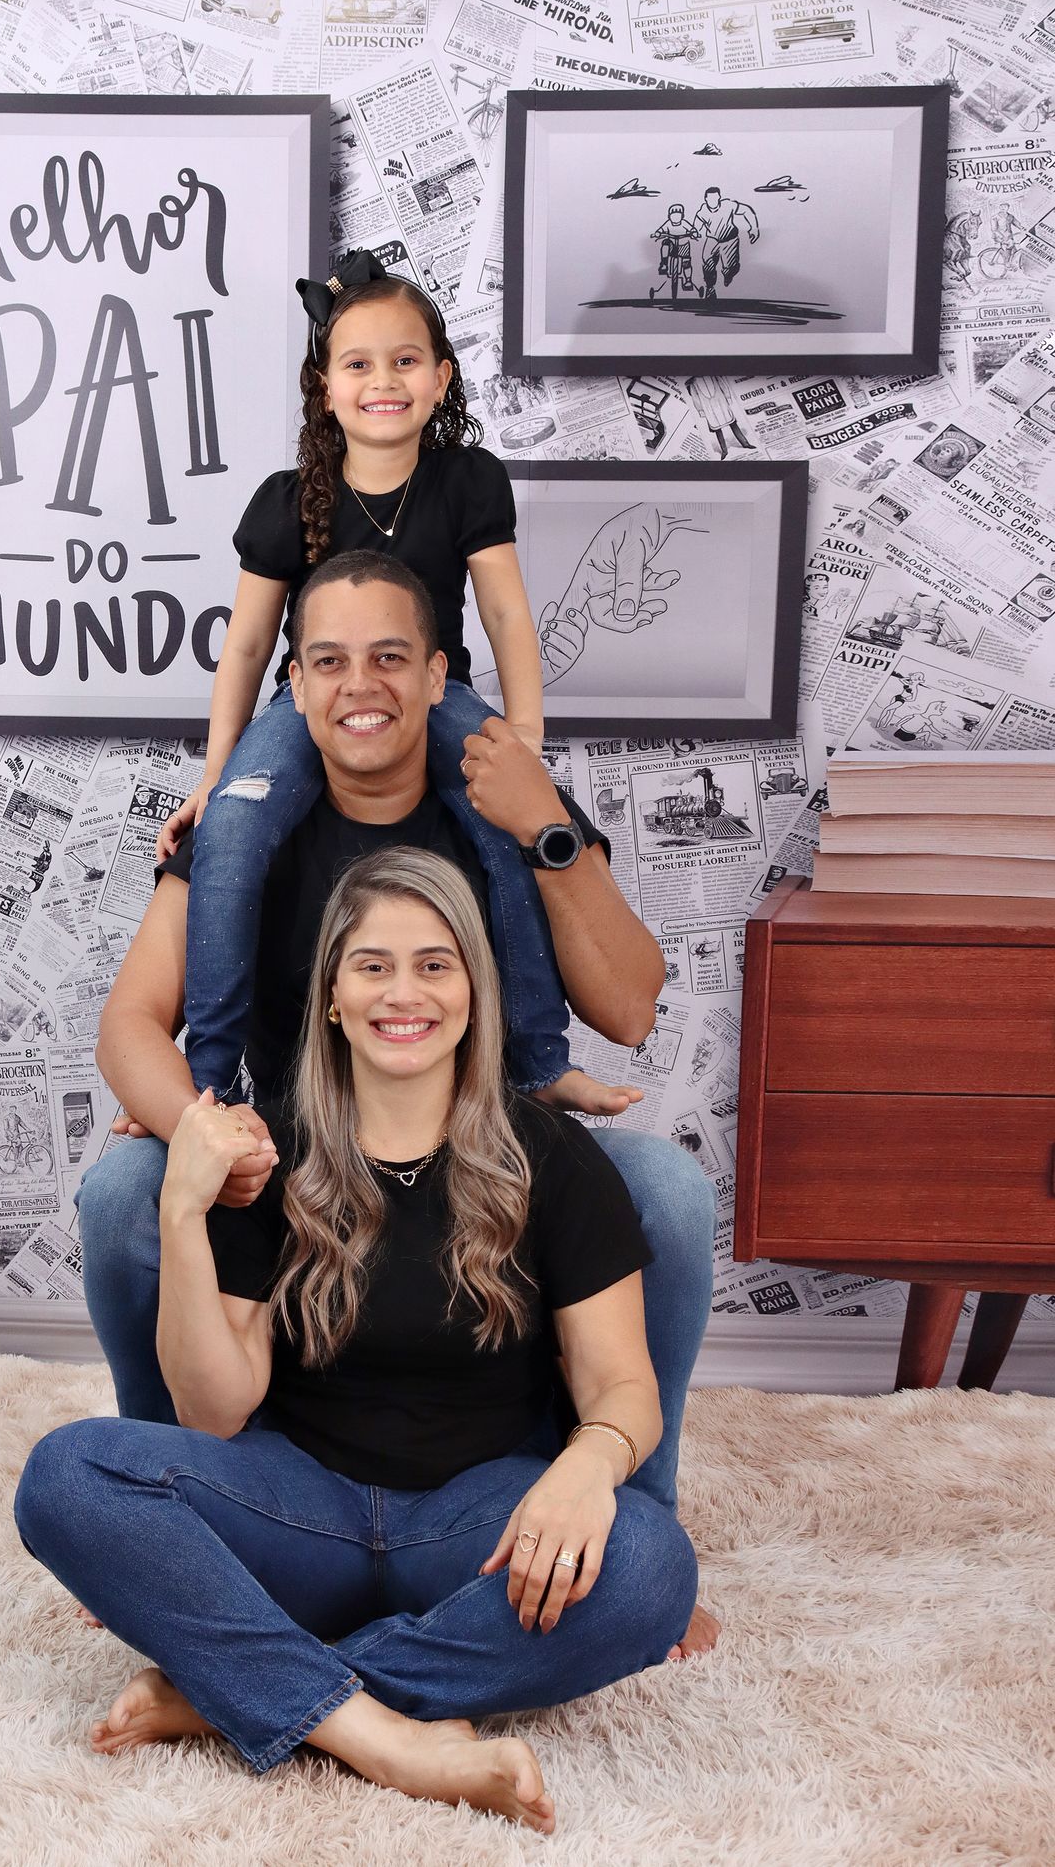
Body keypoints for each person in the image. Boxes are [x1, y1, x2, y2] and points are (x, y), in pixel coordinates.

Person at [81, 553, 719, 1676]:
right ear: (294, 684)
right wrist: (201, 1134)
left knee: (663, 1189)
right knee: (125, 1190)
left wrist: (546, 825)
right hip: (296, 1154)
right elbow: (131, 1024)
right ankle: (181, 1517)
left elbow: (627, 1006)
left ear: (436, 676)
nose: (359, 686)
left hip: (486, 1137)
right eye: (328, 662)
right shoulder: (240, 833)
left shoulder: (506, 810)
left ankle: (615, 1509)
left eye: (388, 657)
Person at [20, 850, 698, 1829]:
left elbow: (622, 1385)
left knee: (649, 1566)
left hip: (477, 1527)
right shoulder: (270, 1153)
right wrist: (181, 1210)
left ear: (473, 991)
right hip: (299, 1512)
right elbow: (213, 1412)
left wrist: (589, 1464)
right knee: (66, 1475)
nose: (403, 993)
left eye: (434, 965)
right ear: (332, 997)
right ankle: (387, 1738)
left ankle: (244, 1693)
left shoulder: (552, 1159)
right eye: (372, 966)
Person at [160, 249, 585, 1104]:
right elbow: (247, 647)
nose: (383, 380)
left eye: (405, 360)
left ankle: (540, 1061)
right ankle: (209, 1076)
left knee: (508, 832)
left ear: (440, 379)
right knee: (231, 828)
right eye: (358, 364)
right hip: (308, 705)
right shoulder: (287, 500)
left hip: (435, 697)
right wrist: (216, 774)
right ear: (326, 387)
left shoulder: (467, 481)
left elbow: (506, 614)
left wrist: (525, 738)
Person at [689, 185, 759, 303]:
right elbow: (695, 228)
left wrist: (754, 229)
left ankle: (729, 274)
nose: (713, 201)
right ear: (706, 199)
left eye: (716, 198)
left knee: (729, 268)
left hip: (730, 240)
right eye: (710, 199)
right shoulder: (702, 212)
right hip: (712, 240)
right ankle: (710, 289)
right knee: (707, 263)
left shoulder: (728, 205)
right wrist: (694, 233)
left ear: (719, 198)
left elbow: (747, 210)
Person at [648, 204, 695, 300]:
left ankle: (688, 280)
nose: (675, 217)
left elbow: (692, 229)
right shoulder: (668, 224)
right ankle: (664, 264)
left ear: (682, 216)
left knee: (686, 263)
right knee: (665, 243)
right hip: (672, 245)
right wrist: (657, 233)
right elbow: (660, 230)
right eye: (673, 215)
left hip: (683, 245)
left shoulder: (684, 223)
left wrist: (694, 233)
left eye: (678, 215)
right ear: (669, 216)